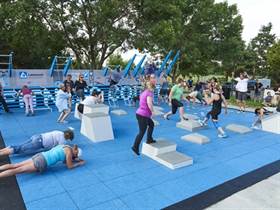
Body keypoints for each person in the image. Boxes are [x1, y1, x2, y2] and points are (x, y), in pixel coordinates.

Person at [0, 144, 84, 178]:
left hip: (40, 155)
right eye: (75, 155)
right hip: (42, 161)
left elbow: (64, 161)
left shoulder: (65, 146)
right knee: (18, 170)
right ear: (75, 152)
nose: (74, 156)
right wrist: (79, 164)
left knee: (16, 165)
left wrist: (75, 159)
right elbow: (70, 166)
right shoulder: (69, 153)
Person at [0, 129, 74, 156]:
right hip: (39, 142)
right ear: (68, 137)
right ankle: (1, 153)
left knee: (19, 146)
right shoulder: (63, 139)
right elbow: (60, 148)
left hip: (37, 136)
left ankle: (2, 150)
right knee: (20, 149)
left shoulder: (59, 131)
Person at [131, 80, 156, 156]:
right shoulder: (149, 93)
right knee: (141, 132)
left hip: (141, 114)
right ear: (151, 87)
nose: (154, 90)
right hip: (143, 115)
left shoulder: (143, 92)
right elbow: (149, 103)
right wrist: (153, 111)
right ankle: (135, 147)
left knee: (151, 124)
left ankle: (149, 139)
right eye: (153, 88)